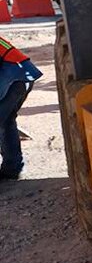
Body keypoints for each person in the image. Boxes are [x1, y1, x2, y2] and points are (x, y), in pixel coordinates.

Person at [0, 35, 41, 180]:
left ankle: (12, 167)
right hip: (22, 77)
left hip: (14, 79)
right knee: (6, 122)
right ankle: (11, 169)